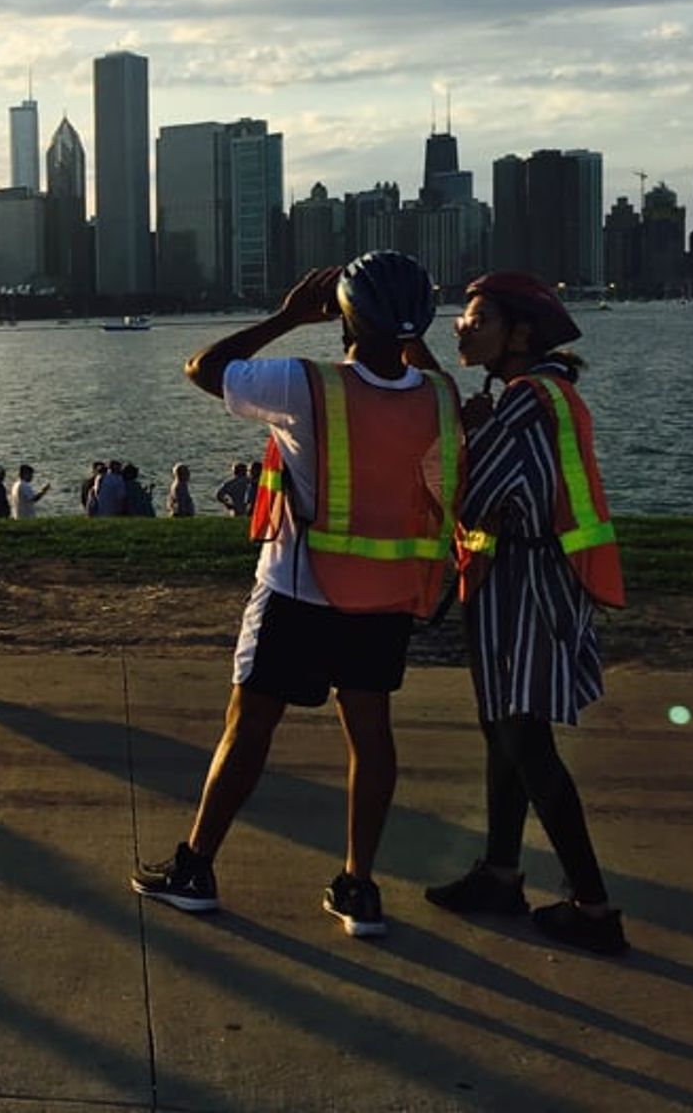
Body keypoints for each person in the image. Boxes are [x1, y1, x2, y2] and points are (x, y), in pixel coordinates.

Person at [131, 253, 462, 938]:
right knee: (371, 739)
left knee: (249, 727)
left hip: (297, 591)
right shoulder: (439, 397)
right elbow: (428, 381)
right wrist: (407, 333)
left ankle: (196, 867)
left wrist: (286, 317)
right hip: (384, 599)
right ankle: (358, 887)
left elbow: (203, 367)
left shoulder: (305, 385)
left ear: (343, 316)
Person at [424, 272, 629, 956]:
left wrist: (448, 431)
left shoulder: (521, 403)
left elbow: (461, 491)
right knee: (504, 734)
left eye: (477, 319)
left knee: (525, 741)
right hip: (534, 579)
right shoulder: (550, 394)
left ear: (519, 336)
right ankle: (502, 873)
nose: (461, 326)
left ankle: (594, 906)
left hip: (522, 586)